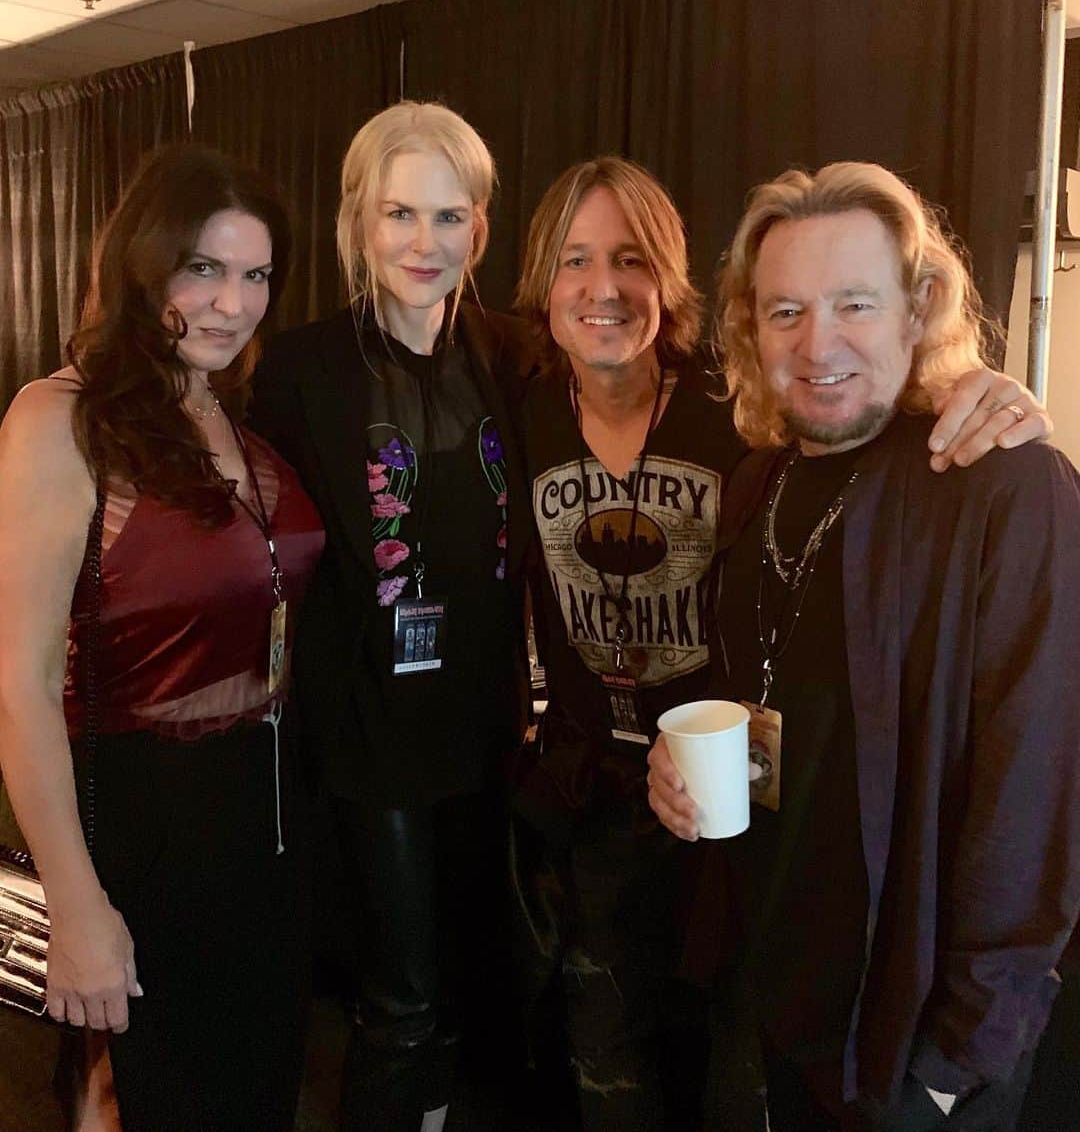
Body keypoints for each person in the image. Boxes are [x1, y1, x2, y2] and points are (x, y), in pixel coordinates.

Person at [511, 156, 1055, 1131]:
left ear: (918, 308)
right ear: (749, 328)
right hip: (773, 984)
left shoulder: (1001, 490)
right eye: (786, 312)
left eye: (854, 303)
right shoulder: (760, 484)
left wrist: (965, 1055)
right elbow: (755, 686)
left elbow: (1038, 799)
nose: (819, 344)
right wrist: (680, 753)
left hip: (912, 1038)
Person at [0, 145, 325, 1131]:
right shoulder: (62, 420)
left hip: (265, 814)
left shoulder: (228, 411)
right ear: (146, 269)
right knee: (153, 1097)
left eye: (256, 274)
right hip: (142, 815)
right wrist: (77, 907)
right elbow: (14, 687)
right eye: (205, 269)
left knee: (259, 1087)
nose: (233, 303)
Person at [247, 101, 535, 1132]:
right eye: (400, 213)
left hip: (484, 729)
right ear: (359, 223)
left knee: (463, 988)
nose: (426, 243)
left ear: (481, 230)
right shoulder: (300, 369)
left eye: (450, 217)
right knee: (401, 1005)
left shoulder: (511, 359)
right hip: (372, 739)